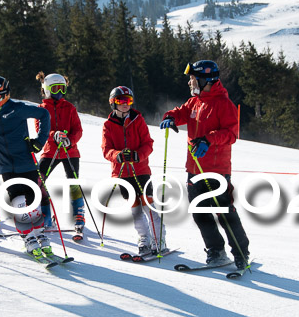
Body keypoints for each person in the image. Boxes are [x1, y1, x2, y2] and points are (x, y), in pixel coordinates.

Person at [159, 60, 250, 270]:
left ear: (205, 80)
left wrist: (208, 140)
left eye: (193, 79)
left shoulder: (223, 104)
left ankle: (241, 252)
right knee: (199, 211)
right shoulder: (195, 102)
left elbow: (231, 134)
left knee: (224, 211)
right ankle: (216, 250)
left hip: (216, 169)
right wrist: (170, 118)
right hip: (194, 168)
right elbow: (180, 112)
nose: (190, 83)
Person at [0, 75, 51, 257]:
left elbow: (44, 114)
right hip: (6, 167)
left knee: (33, 201)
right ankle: (28, 238)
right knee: (17, 202)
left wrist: (39, 142)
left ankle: (40, 234)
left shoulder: (18, 109)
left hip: (27, 163)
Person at [102, 86, 165, 254]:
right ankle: (144, 238)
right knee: (135, 207)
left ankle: (160, 238)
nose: (125, 104)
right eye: (121, 101)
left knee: (148, 204)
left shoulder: (138, 120)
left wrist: (138, 155)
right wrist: (118, 155)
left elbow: (148, 143)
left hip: (141, 169)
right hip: (121, 172)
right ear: (113, 103)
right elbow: (106, 149)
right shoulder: (108, 125)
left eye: (129, 101)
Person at [35, 72, 85, 237]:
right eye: (55, 88)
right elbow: (40, 130)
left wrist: (70, 140)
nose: (59, 92)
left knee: (73, 183)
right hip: (51, 151)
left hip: (70, 151)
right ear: (47, 89)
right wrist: (54, 134)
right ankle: (45, 215)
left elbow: (78, 130)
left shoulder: (69, 107)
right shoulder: (42, 109)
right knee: (39, 180)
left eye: (62, 89)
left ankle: (79, 215)